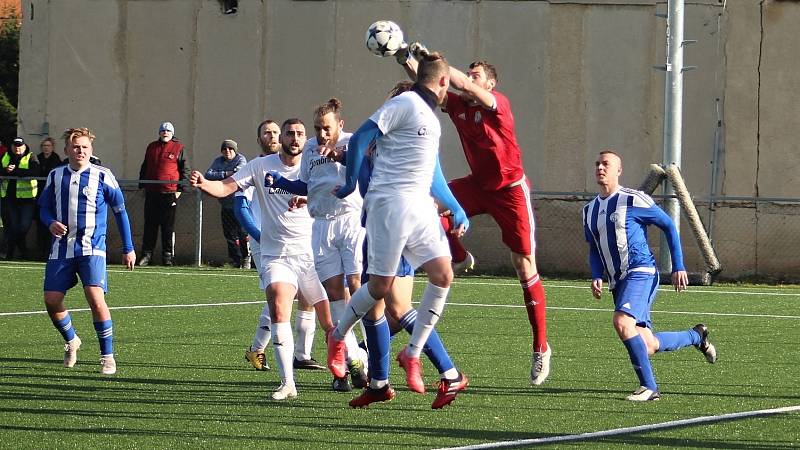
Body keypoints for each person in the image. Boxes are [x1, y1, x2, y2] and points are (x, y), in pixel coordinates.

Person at [398, 46, 552, 385]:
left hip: (510, 190)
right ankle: (456, 253)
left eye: (476, 75)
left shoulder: (499, 105)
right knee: (430, 200)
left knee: (524, 264)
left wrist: (436, 62)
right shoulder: (458, 108)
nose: (469, 79)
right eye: (467, 73)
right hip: (478, 185)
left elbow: (458, 83)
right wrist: (403, 56)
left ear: (490, 86)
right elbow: (429, 84)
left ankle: (541, 346)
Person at [326, 53, 469, 406]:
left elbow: (431, 173)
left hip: (418, 206)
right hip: (389, 205)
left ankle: (412, 355)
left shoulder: (431, 121)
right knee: (380, 290)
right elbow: (359, 138)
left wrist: (455, 206)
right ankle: (339, 336)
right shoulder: (404, 104)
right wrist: (347, 186)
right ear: (443, 82)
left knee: (443, 274)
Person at [190, 118, 337, 401]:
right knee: (279, 306)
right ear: (280, 138)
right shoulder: (260, 166)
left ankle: (346, 369)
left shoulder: (315, 165)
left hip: (310, 254)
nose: (294, 138)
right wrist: (205, 184)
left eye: (299, 134)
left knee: (330, 321)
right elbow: (227, 188)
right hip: (276, 254)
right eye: (289, 133)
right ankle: (287, 383)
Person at [583, 150, 718, 401]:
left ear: (619, 170)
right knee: (647, 345)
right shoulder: (589, 210)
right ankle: (697, 335)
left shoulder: (634, 200)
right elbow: (593, 247)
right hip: (618, 281)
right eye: (597, 164)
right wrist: (595, 274)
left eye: (606, 164)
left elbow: (668, 225)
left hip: (641, 272)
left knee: (622, 322)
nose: (600, 168)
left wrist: (678, 265)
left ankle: (649, 388)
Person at [267, 99, 369, 392]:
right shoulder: (311, 148)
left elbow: (363, 167)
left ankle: (368, 349)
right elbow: (306, 184)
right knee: (336, 294)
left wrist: (337, 155)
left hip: (351, 221)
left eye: (327, 128)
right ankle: (354, 356)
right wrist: (283, 184)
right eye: (318, 129)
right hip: (321, 225)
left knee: (357, 285)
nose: (322, 134)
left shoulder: (353, 143)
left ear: (340, 125)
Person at [38, 127, 136, 375]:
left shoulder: (103, 175)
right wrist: (50, 222)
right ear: (67, 150)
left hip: (93, 247)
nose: (80, 151)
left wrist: (129, 248)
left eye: (84, 147)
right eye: (75, 147)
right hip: (62, 247)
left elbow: (120, 212)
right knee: (51, 300)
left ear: (91, 150)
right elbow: (43, 208)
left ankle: (107, 356)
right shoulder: (55, 175)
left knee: (95, 296)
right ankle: (71, 340)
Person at [138, 121, 190, 266]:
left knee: (168, 227)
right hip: (152, 193)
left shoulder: (179, 148)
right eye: (163, 130)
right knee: (150, 225)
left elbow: (185, 170)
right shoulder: (151, 147)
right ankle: (147, 255)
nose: (165, 132)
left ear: (172, 133)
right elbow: (145, 166)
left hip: (169, 193)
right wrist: (142, 184)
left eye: (168, 130)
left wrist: (180, 190)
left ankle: (167, 257)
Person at [204, 139, 248, 268]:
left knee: (243, 233)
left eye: (230, 149)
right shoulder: (218, 161)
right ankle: (236, 260)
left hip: (239, 203)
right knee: (230, 235)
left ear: (235, 150)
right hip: (225, 204)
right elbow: (208, 174)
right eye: (224, 149)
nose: (227, 151)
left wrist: (222, 176)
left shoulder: (241, 160)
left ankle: (246, 258)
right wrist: (225, 173)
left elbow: (238, 174)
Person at [1, 137, 40, 260]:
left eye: (19, 145)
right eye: (15, 145)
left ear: (24, 146)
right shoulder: (5, 156)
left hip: (27, 199)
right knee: (13, 225)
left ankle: (9, 249)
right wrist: (6, 170)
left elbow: (35, 171)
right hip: (9, 198)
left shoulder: (31, 157)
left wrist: (16, 171)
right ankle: (18, 253)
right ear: (12, 146)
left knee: (23, 226)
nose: (17, 148)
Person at [36, 137, 62, 259]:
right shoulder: (37, 158)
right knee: (39, 224)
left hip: (52, 195)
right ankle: (40, 251)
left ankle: (48, 251)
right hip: (38, 194)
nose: (46, 148)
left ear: (52, 147)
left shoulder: (56, 160)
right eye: (44, 146)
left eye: (48, 145)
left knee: (51, 224)